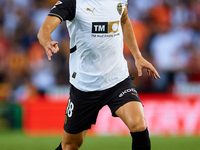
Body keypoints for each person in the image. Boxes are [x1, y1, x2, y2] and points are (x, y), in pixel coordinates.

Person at [37, 0, 160, 150]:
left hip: (117, 79)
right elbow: (44, 29)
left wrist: (137, 56)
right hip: (85, 85)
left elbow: (124, 20)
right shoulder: (72, 2)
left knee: (139, 124)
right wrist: (47, 41)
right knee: (70, 145)